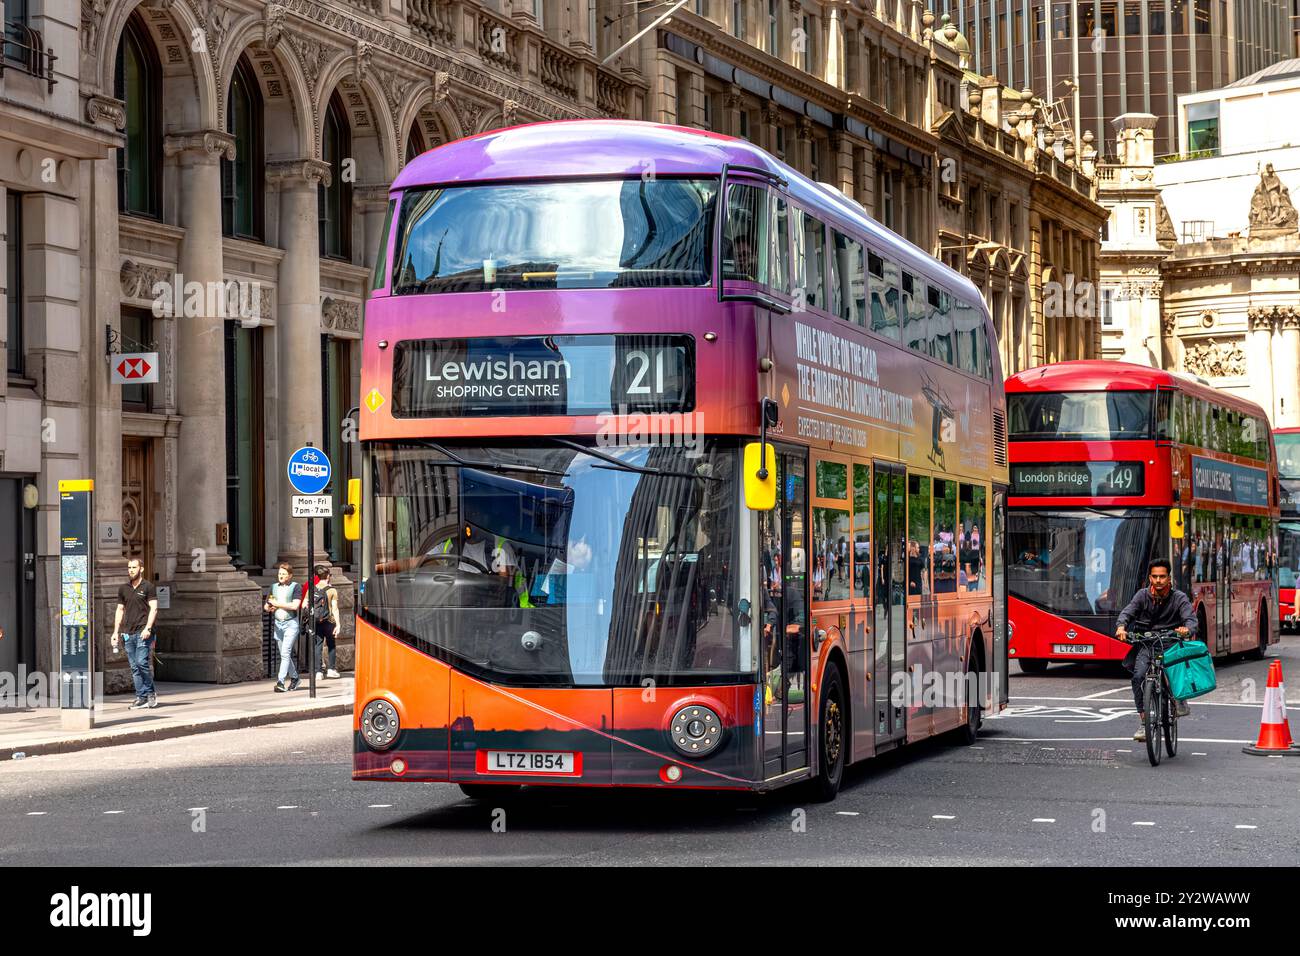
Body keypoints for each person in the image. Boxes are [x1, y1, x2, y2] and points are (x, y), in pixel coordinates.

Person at [1115, 558, 1197, 742]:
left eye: (1162, 576)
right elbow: (1128, 612)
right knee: (1138, 676)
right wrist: (1121, 627)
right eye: (1155, 576)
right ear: (1149, 578)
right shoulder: (1142, 595)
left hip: (1170, 642)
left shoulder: (1179, 598)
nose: (1158, 580)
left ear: (1169, 578)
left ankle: (1179, 698)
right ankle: (1144, 723)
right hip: (1147, 642)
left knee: (1174, 669)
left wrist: (1187, 629)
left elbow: (1191, 620)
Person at [110, 558, 159, 709]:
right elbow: (119, 610)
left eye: (134, 567)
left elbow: (154, 608)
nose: (131, 570)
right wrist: (115, 632)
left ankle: (151, 694)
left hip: (143, 631)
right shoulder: (123, 589)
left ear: (141, 569)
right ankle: (141, 697)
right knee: (134, 667)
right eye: (129, 567)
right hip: (127, 633)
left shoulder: (148, 587)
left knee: (141, 662)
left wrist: (148, 628)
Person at [265, 563, 303, 692]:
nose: (280, 576)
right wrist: (270, 607)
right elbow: (267, 604)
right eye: (280, 574)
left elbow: (294, 606)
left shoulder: (295, 587)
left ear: (290, 575)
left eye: (284, 574)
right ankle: (295, 678)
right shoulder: (273, 587)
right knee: (284, 654)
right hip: (278, 624)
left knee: (285, 653)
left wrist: (278, 604)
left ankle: (280, 682)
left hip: (290, 623)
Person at [310, 565, 342, 680]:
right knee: (331, 645)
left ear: (317, 576)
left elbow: (306, 605)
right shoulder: (332, 590)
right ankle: (331, 669)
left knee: (318, 645)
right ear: (328, 576)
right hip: (329, 621)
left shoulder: (312, 589)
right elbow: (335, 608)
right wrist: (338, 624)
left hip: (317, 621)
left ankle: (318, 671)